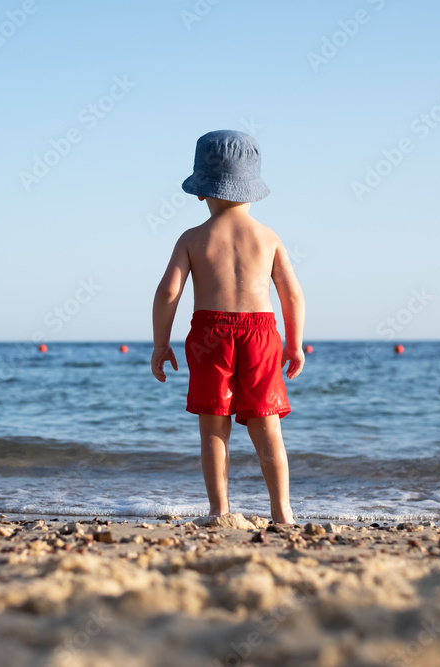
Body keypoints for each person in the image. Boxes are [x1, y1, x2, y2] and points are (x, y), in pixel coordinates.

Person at [150, 130, 305, 524]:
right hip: (261, 331)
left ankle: (220, 510)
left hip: (210, 333)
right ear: (252, 190)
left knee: (213, 427)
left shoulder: (193, 238)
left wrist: (160, 343)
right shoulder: (267, 237)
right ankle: (282, 511)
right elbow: (292, 293)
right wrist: (294, 344)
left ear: (201, 191)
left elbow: (169, 291)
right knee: (267, 426)